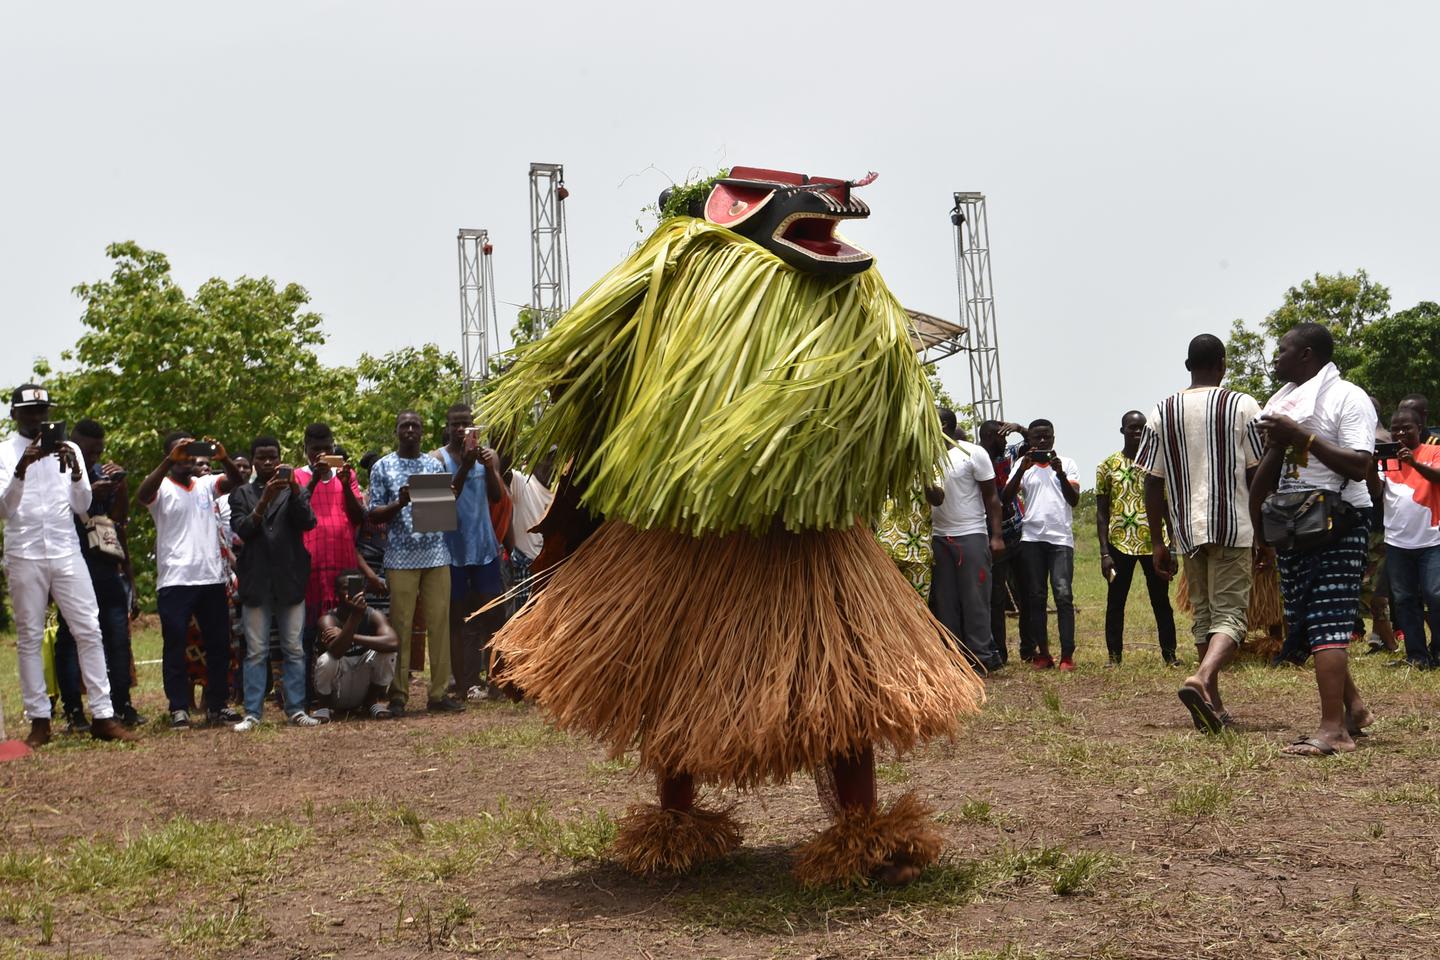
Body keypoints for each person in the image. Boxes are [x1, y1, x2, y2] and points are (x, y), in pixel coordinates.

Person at [1250, 323, 1376, 756]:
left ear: (1306, 355)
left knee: (1329, 622)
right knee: (1309, 619)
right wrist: (1278, 446)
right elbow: (1267, 477)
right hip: (1293, 525)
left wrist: (1301, 436)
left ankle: (1333, 731)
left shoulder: (1348, 397)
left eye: (1282, 350)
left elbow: (1360, 465)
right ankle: (1354, 709)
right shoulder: (1283, 402)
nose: (1275, 357)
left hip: (1339, 522)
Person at [1138, 335, 1263, 733]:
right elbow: (1256, 472)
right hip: (1233, 524)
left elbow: (1152, 482)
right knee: (1231, 617)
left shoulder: (1162, 411)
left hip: (1186, 529)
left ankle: (1213, 704)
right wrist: (1264, 532)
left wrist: (1158, 540)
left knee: (1204, 615)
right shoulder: (1242, 405)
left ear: (1187, 364)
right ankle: (1203, 678)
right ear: (1222, 364)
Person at [0, 385, 137, 746]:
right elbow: (4, 509)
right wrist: (21, 468)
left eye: (42, 411)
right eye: (29, 412)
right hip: (24, 552)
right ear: (14, 415)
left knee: (88, 629)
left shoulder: (70, 448)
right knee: (29, 636)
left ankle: (104, 716)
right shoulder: (4, 453)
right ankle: (40, 721)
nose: (37, 418)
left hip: (65, 550)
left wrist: (78, 473)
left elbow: (83, 505)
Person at [137, 430, 246, 729]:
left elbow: (237, 481)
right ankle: (178, 708)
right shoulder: (161, 487)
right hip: (175, 580)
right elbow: (142, 495)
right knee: (174, 644)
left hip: (210, 578)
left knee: (218, 645)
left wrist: (223, 457)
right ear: (169, 456)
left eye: (188, 453)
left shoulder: (204, 484)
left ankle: (218, 705)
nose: (186, 459)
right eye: (179, 454)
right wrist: (166, 462)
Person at [367, 410, 462, 715]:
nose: (410, 430)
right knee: (401, 626)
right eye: (404, 425)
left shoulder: (434, 465)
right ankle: (398, 695)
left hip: (436, 553)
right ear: (397, 431)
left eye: (415, 426)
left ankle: (438, 694)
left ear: (423, 432)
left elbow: (443, 511)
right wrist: (400, 502)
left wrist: (448, 497)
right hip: (400, 557)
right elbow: (373, 514)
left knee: (439, 623)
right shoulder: (382, 466)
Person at [51, 418, 143, 731]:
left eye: (97, 453)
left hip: (104, 565)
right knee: (69, 638)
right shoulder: (57, 475)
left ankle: (121, 707)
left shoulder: (104, 473)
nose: (94, 458)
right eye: (89, 452)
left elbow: (119, 520)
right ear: (74, 445)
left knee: (117, 635)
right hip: (68, 564)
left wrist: (120, 488)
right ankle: (74, 712)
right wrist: (87, 490)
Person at [229, 436, 318, 730]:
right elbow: (242, 529)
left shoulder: (295, 490)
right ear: (253, 461)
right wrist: (264, 500)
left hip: (289, 579)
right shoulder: (241, 493)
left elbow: (308, 522)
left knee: (294, 648)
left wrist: (293, 489)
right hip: (256, 580)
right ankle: (252, 713)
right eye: (261, 458)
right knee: (256, 650)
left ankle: (296, 709)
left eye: (272, 457)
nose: (267, 463)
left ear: (280, 459)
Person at [295, 423, 379, 705]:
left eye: (326, 449)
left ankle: (345, 692)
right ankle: (311, 696)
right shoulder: (298, 476)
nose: (321, 454)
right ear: (305, 450)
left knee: (347, 625)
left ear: (333, 447)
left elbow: (358, 517)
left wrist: (344, 484)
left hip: (343, 563)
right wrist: (315, 479)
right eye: (315, 449)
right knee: (309, 631)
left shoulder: (348, 476)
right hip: (310, 566)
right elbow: (297, 512)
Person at [432, 403, 506, 701]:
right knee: (458, 619)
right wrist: (465, 465)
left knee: (494, 616)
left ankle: (497, 680)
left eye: (467, 424)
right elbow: (445, 499)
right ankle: (462, 683)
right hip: (453, 552)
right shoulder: (438, 459)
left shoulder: (489, 457)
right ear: (447, 428)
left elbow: (497, 496)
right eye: (456, 424)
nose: (461, 429)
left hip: (485, 549)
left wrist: (488, 467)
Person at [1096, 411, 1178, 666]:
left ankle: (1170, 656)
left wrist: (1173, 545)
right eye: (1132, 428)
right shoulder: (1107, 466)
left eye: (1142, 428)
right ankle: (1114, 658)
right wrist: (1104, 552)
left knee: (1161, 601)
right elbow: (1101, 512)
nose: (1137, 432)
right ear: (1122, 431)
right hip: (1119, 543)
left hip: (1153, 544)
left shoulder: (1157, 465)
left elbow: (1167, 507)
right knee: (1116, 601)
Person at [926, 408, 1005, 671]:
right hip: (939, 536)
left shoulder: (972, 453)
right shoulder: (927, 456)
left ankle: (981, 656)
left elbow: (992, 498)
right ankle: (955, 658)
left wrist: (996, 536)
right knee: (946, 600)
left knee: (975, 598)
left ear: (945, 424)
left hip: (970, 533)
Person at [1002, 419, 1079, 669]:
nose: (1043, 441)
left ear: (1054, 438)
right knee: (1035, 597)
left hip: (1060, 539)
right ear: (1030, 441)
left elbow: (1074, 500)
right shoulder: (1023, 466)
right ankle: (1043, 653)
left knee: (1063, 595)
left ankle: (1067, 655)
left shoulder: (1067, 464)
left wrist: (1060, 474)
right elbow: (1006, 497)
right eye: (1037, 438)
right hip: (1032, 538)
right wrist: (1022, 470)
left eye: (1047, 437)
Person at [1380, 406, 1440, 668]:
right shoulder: (1388, 458)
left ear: (1419, 428)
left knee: (1435, 595)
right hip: (1397, 541)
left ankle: (1437, 651)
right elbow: (1374, 491)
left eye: (1407, 428)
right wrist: (1372, 468)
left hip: (1432, 539)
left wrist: (1413, 463)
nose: (1401, 433)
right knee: (1404, 600)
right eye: (1395, 429)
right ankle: (1416, 655)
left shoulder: (1433, 451)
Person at [314, 571, 399, 720]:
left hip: (362, 682)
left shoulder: (373, 614)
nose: (352, 593)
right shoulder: (328, 619)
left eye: (356, 588)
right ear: (336, 592)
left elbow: (393, 642)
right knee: (326, 660)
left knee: (388, 654)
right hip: (337, 689)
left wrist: (350, 636)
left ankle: (372, 703)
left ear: (364, 590)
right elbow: (336, 651)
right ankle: (323, 707)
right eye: (346, 588)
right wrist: (355, 616)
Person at [979, 420, 1031, 663]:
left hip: (1018, 531)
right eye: (1002, 437)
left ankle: (1028, 649)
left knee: (1026, 592)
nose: (1006, 442)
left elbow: (1035, 442)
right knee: (996, 597)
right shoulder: (978, 458)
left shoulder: (1008, 455)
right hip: (992, 536)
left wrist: (1019, 428)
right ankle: (999, 651)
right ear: (990, 437)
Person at [506, 448, 554, 607]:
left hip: (554, 569)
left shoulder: (563, 490)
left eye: (556, 458)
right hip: (526, 567)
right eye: (547, 457)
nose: (552, 463)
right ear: (534, 462)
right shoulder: (523, 483)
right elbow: (504, 469)